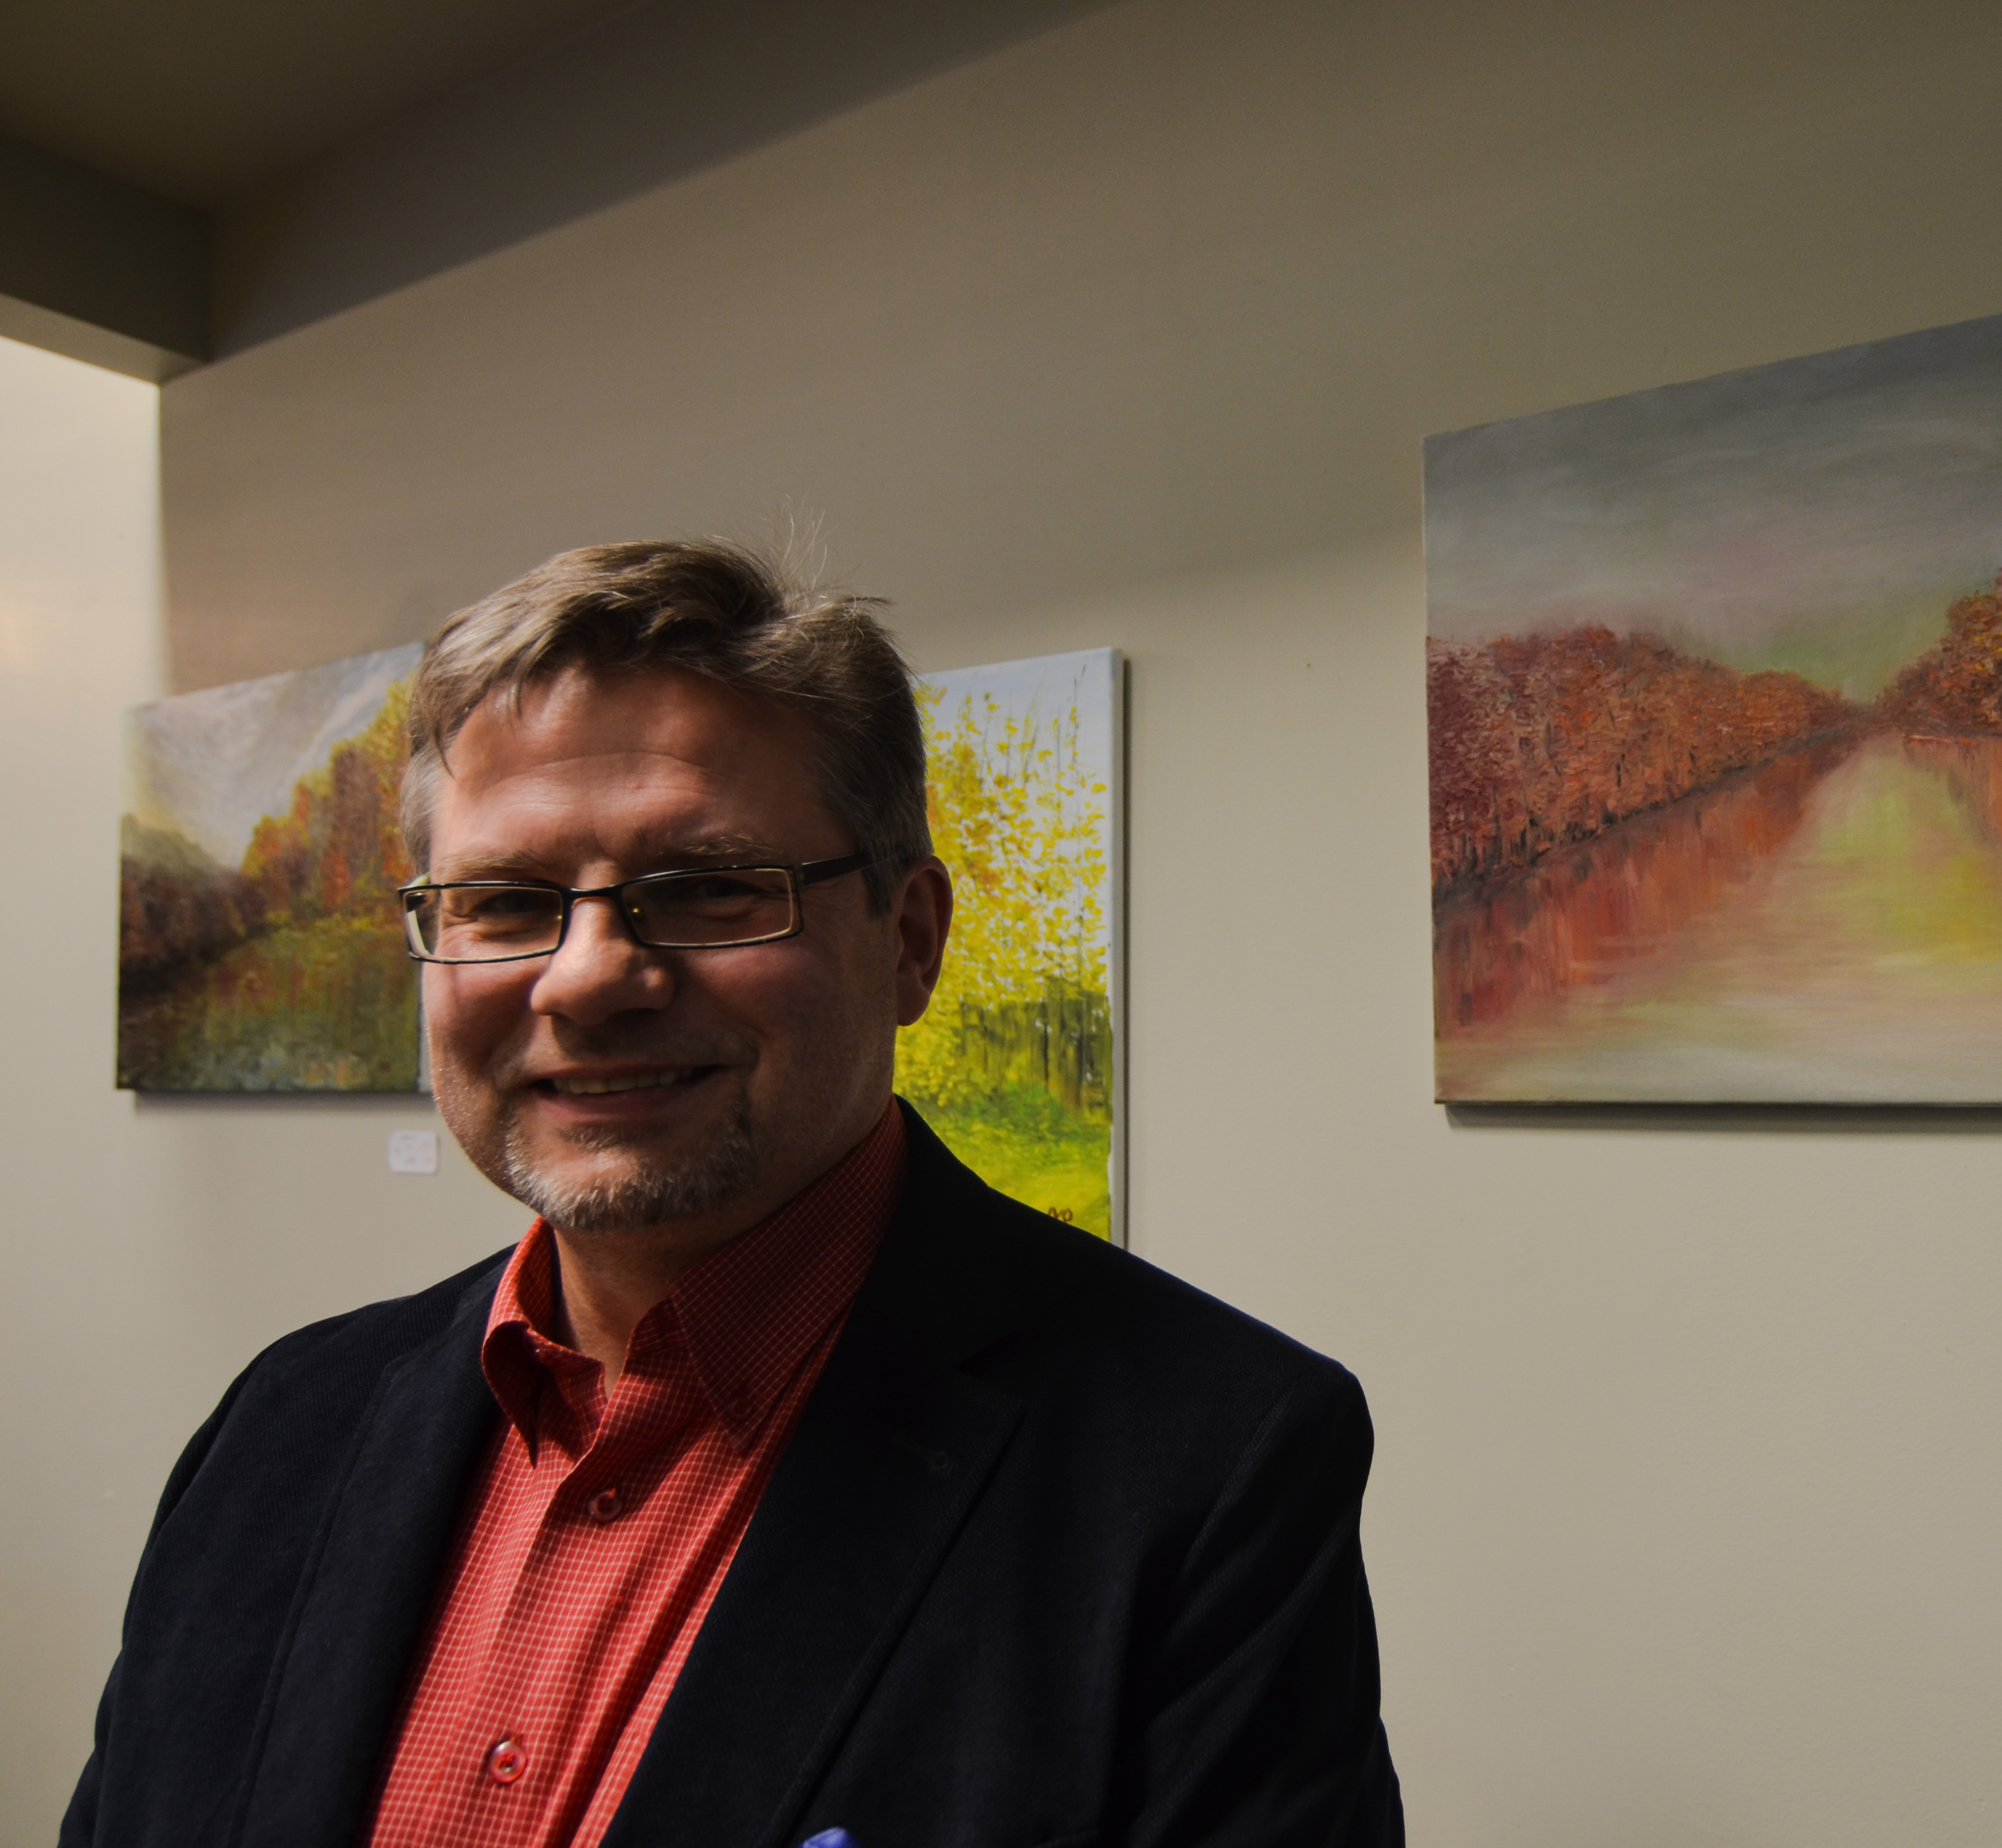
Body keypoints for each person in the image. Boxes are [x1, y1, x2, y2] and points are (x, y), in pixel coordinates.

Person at [63, 541, 1400, 1848]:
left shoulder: (1204, 1463)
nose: (589, 978)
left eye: (707, 887)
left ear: (909, 941)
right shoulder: (284, 1423)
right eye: (506, 902)